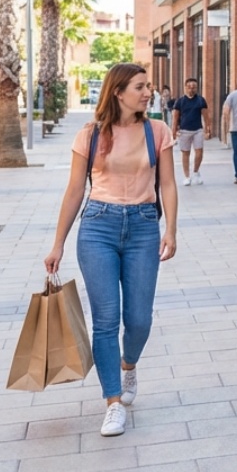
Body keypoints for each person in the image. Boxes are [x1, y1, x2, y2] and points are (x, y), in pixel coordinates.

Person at [44, 63, 178, 438]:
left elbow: (167, 184)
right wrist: (58, 243)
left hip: (142, 229)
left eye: (148, 86)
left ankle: (128, 363)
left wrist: (171, 229)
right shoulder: (90, 135)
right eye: (140, 86)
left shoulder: (157, 131)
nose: (148, 92)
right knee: (106, 320)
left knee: (139, 320)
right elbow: (74, 191)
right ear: (118, 92)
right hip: (98, 227)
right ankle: (112, 402)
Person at [169, 78, 210, 185]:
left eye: (194, 87)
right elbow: (175, 117)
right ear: (185, 87)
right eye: (189, 87)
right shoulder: (180, 101)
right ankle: (187, 176)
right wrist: (173, 131)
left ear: (197, 88)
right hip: (184, 130)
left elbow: (206, 116)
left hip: (198, 130)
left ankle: (196, 172)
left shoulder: (201, 100)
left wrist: (207, 130)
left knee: (199, 152)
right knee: (185, 153)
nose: (192, 89)